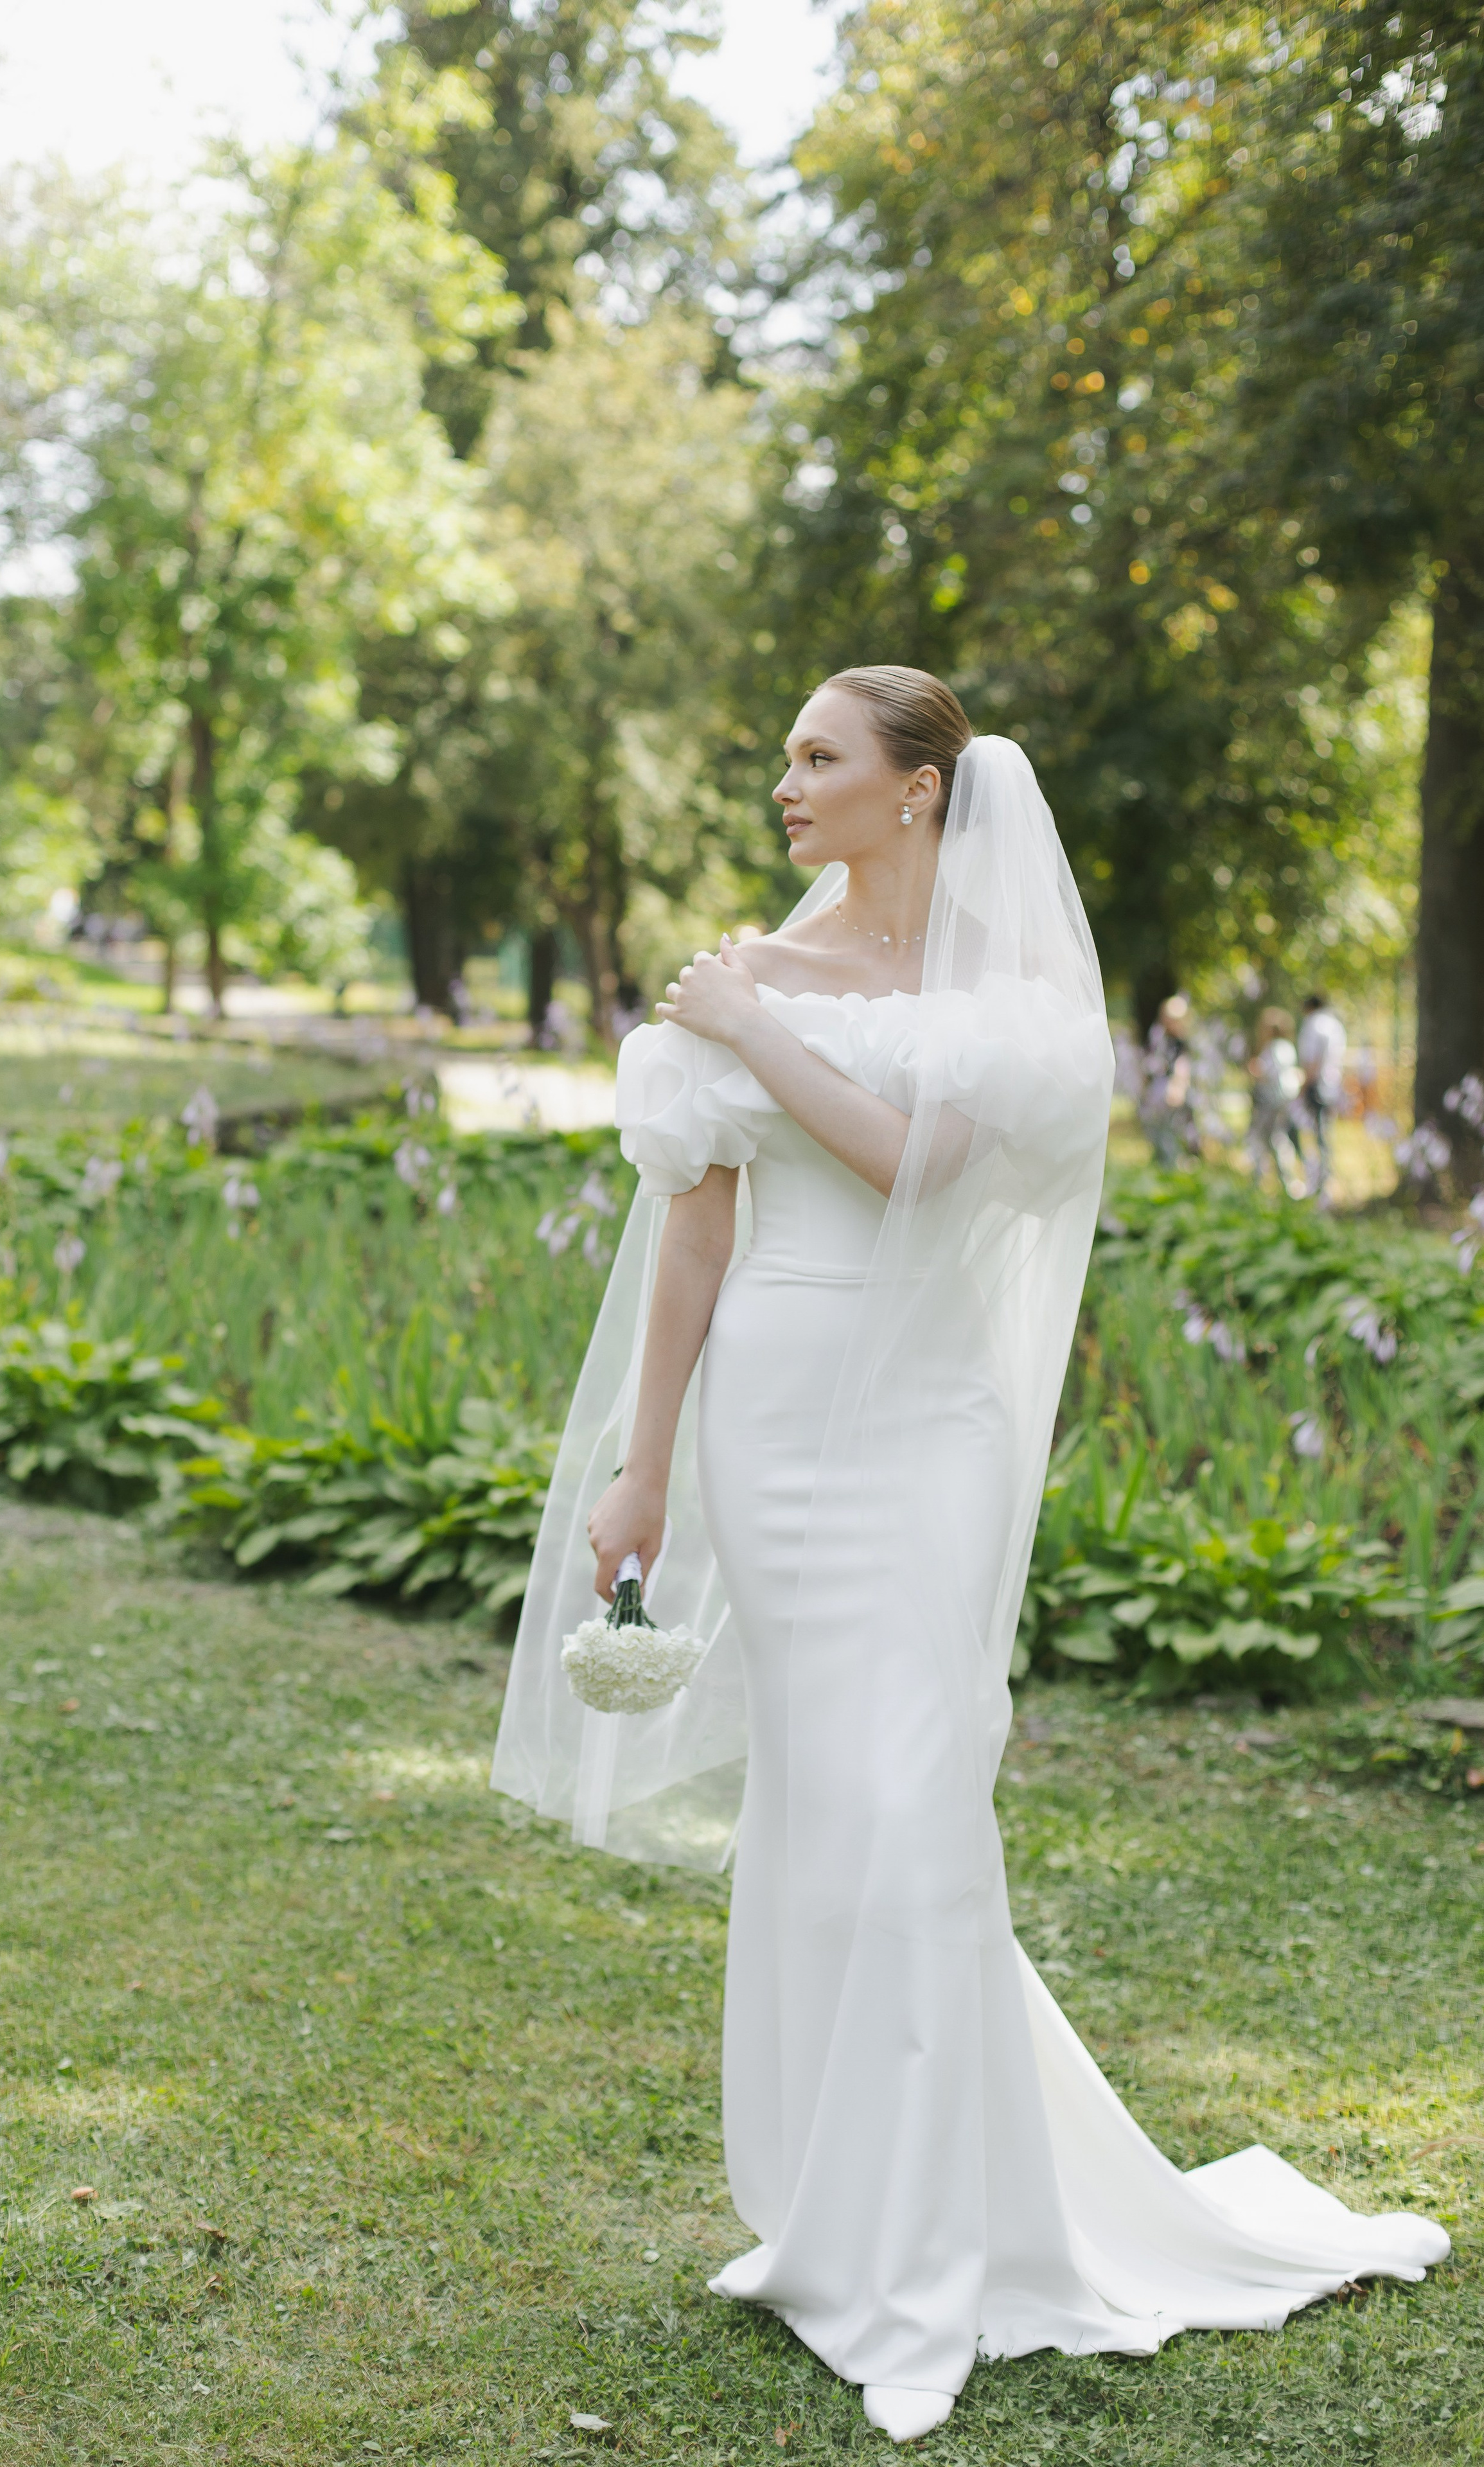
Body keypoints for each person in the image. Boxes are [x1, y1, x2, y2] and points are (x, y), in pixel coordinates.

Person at [491, 668, 1447, 2442]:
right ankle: (839, 2229)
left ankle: (931, 2287)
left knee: (918, 1810)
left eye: (818, 757)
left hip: (924, 1433)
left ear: (918, 791)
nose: (786, 784)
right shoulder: (737, 977)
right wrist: (645, 1477)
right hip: (770, 1421)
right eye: (784, 753)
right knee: (825, 1820)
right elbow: (693, 1243)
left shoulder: (1009, 1008)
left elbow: (925, 1179)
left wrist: (766, 1031)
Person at [1246, 1005, 1305, 1196]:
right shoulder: (1287, 1047)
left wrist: (1254, 1070)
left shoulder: (1273, 1048)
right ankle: (1286, 1182)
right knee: (1277, 1139)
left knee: (1264, 1139)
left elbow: (1268, 1074)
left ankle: (1266, 1180)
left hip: (1271, 1102)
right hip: (1284, 1101)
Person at [1296, 990, 1347, 1200]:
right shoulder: (1335, 1025)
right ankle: (1324, 1182)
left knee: (1310, 1134)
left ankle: (1318, 1182)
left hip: (1316, 1087)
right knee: (1324, 1134)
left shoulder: (1313, 1025)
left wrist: (1303, 1086)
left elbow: (1312, 1060)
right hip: (1332, 1086)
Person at [1138, 991, 1198, 1165]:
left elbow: (1183, 1065)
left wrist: (1177, 1086)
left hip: (1171, 1088)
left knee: (1173, 1128)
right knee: (1156, 1127)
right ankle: (1163, 1161)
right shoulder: (1159, 1038)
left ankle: (1175, 1162)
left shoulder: (1180, 1042)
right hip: (1158, 1089)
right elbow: (1150, 1062)